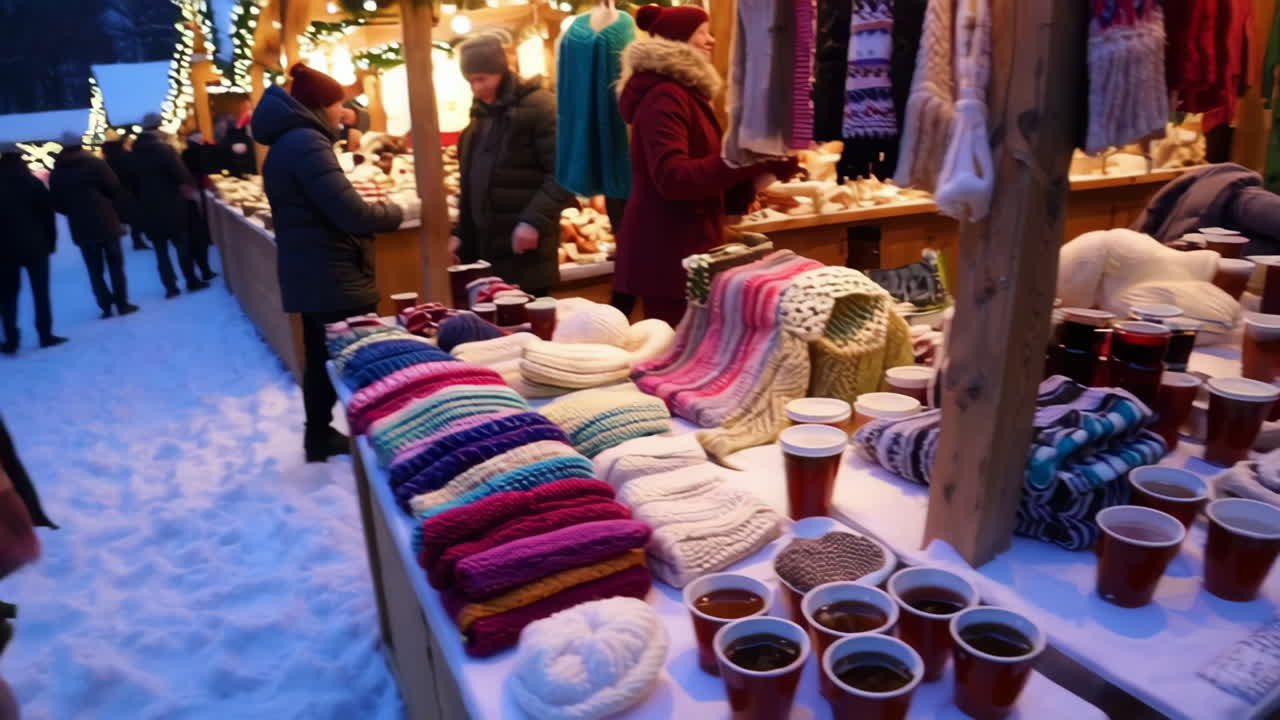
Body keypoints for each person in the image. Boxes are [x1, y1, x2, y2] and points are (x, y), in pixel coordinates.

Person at [252, 63, 403, 462]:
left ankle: (318, 435)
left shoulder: (288, 142)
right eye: (338, 105)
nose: (344, 112)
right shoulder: (307, 144)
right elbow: (349, 212)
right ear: (320, 107)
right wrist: (393, 212)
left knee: (321, 357)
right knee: (355, 355)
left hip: (312, 269)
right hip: (332, 271)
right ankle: (372, 437)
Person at [614, 4, 797, 325]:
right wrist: (743, 160)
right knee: (679, 355)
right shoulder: (665, 96)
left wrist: (764, 168)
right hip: (668, 254)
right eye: (702, 33)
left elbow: (714, 179)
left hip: (689, 251)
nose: (711, 41)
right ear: (678, 40)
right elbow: (674, 178)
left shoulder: (685, 94)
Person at [451, 33, 571, 298]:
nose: (476, 88)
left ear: (501, 70)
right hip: (486, 257)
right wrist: (461, 232)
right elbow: (469, 184)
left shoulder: (540, 106)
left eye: (481, 78)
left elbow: (565, 172)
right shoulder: (478, 120)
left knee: (530, 332)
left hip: (526, 254)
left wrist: (532, 222)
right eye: (470, 81)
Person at [48, 142, 138, 319]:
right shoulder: (96, 164)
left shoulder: (58, 172)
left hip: (81, 226)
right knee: (115, 265)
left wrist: (73, 210)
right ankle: (122, 303)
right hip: (106, 222)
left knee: (94, 269)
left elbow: (57, 203)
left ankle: (105, 305)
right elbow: (113, 187)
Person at [132, 120, 208, 298]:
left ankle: (170, 286)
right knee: (182, 244)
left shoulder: (133, 155)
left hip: (149, 209)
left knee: (160, 251)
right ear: (157, 131)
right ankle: (191, 279)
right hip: (172, 205)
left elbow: (130, 185)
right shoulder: (164, 150)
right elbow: (181, 174)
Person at [0, 153, 66, 353]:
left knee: (8, 296)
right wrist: (51, 242)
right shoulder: (33, 184)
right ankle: (45, 334)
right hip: (36, 246)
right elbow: (48, 217)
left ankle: (11, 338)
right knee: (41, 292)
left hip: (5, 250)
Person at [101, 134, 150, 250]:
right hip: (131, 191)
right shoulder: (128, 156)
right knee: (135, 218)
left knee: (117, 217)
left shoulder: (105, 161)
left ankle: (115, 242)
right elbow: (136, 174)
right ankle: (137, 240)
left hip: (114, 193)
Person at [181, 132, 218, 282]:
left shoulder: (185, 153)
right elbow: (205, 167)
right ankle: (201, 273)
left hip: (181, 200)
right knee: (196, 236)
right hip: (193, 195)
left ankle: (195, 275)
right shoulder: (198, 152)